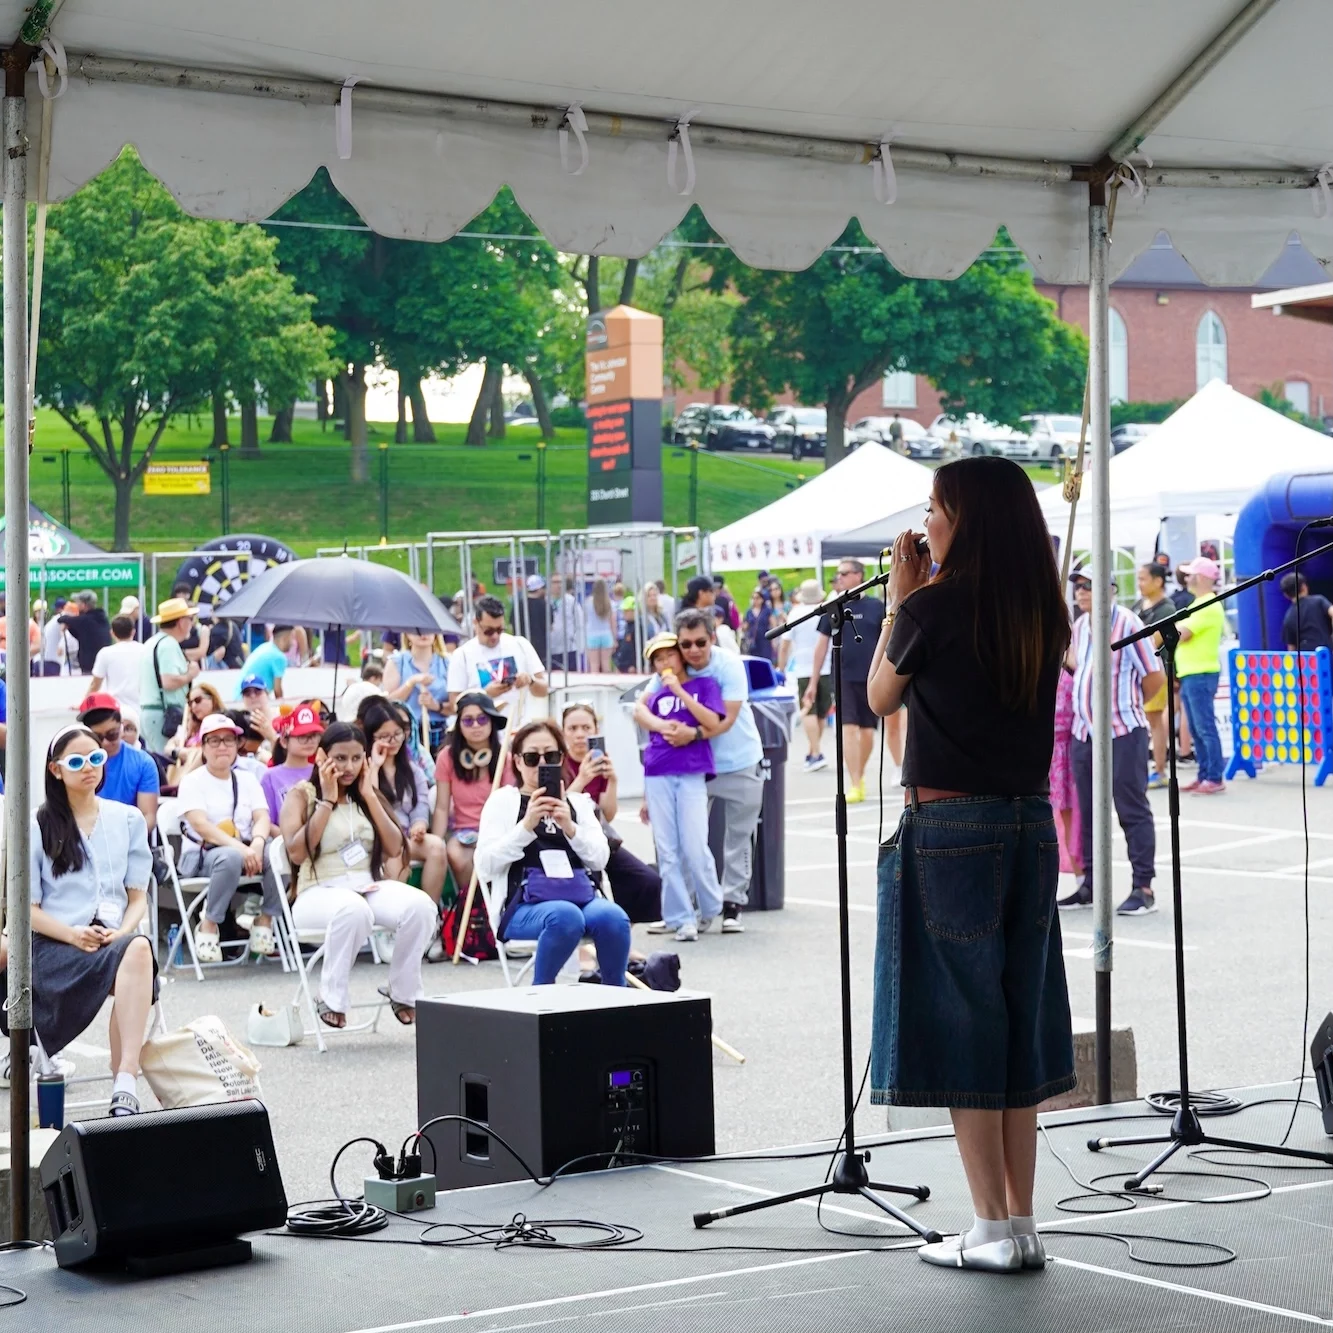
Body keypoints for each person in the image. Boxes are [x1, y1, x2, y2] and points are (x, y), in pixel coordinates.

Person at [864, 456, 1075, 1273]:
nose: (926, 522)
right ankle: (1018, 1221)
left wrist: (898, 598)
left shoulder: (933, 605)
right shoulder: (1041, 610)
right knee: (1014, 1021)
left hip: (951, 825)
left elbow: (881, 696)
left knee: (962, 1023)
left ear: (967, 517)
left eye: (934, 506)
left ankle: (988, 1226)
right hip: (1028, 824)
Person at [24, 726, 156, 1116]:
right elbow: (26, 910)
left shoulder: (128, 819)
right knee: (135, 954)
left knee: (136, 948)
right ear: (55, 769)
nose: (89, 769)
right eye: (77, 762)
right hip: (55, 944)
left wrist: (123, 930)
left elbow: (138, 897)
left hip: (114, 940)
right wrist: (72, 934)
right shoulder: (37, 825)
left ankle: (125, 1083)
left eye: (96, 758)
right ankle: (125, 1087)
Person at [280, 721, 436, 1027]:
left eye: (356, 758)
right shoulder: (302, 795)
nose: (349, 767)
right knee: (354, 910)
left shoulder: (365, 795)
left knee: (421, 906)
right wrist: (326, 800)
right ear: (321, 756)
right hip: (317, 892)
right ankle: (331, 998)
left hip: (366, 887)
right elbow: (296, 854)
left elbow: (394, 849)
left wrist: (369, 794)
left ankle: (403, 990)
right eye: (340, 758)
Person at [475, 720, 629, 986]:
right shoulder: (503, 801)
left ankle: (616, 1003)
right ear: (518, 762)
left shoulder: (577, 803)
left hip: (579, 896)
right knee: (564, 916)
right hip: (522, 904)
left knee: (613, 918)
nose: (542, 764)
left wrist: (570, 827)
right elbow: (485, 865)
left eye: (552, 756)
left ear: (562, 759)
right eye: (533, 757)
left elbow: (600, 859)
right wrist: (526, 827)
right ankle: (540, 999)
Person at [1057, 572, 1162, 915]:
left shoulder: (1128, 623)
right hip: (1084, 733)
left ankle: (1143, 887)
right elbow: (1079, 665)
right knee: (1087, 811)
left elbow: (1154, 676)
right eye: (1078, 586)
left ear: (1110, 589)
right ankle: (1089, 883)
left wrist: (1125, 707)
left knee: (1131, 809)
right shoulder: (1082, 625)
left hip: (1123, 731)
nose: (1081, 592)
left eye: (1089, 585)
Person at [671, 607, 763, 933]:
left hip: (740, 761)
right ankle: (691, 907)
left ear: (712, 638)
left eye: (700, 642)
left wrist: (691, 734)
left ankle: (733, 904)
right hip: (695, 767)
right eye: (686, 644)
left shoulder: (729, 665)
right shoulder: (670, 667)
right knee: (691, 839)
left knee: (739, 838)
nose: (693, 650)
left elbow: (726, 720)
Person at [632, 635, 726, 941]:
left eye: (669, 656)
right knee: (667, 850)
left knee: (695, 845)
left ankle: (711, 905)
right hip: (657, 769)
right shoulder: (654, 694)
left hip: (691, 771)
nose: (665, 664)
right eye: (658, 660)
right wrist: (661, 725)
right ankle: (680, 917)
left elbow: (712, 721)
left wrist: (679, 692)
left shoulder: (704, 685)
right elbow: (638, 711)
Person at [176, 713, 282, 960]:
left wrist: (256, 843)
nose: (222, 746)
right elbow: (201, 826)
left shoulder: (246, 779)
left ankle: (265, 918)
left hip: (245, 849)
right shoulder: (192, 781)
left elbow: (262, 817)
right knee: (230, 857)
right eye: (214, 741)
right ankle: (209, 924)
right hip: (204, 854)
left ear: (237, 745)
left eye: (228, 740)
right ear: (203, 746)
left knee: (278, 851)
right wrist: (241, 849)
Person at [561, 703, 662, 923]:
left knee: (647, 880)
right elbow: (558, 807)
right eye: (573, 728)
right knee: (589, 881)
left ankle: (624, 929)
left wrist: (612, 781)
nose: (580, 734)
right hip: (566, 839)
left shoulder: (599, 759)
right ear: (563, 732)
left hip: (599, 835)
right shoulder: (558, 762)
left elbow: (608, 814)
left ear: (595, 730)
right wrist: (582, 779)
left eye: (586, 728)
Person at [805, 557, 892, 801]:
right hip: (843, 677)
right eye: (837, 574)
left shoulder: (877, 606)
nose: (838, 578)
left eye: (843, 573)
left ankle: (859, 774)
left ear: (858, 575)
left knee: (867, 732)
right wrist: (813, 682)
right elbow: (820, 647)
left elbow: (888, 641)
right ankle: (854, 782)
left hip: (871, 678)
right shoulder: (833, 606)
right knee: (848, 728)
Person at [360, 699, 447, 908]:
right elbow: (370, 800)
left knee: (437, 847)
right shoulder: (366, 768)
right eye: (383, 736)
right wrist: (375, 764)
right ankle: (393, 915)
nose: (392, 741)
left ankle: (431, 910)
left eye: (398, 733)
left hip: (408, 835)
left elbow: (422, 801)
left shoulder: (412, 769)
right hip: (380, 838)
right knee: (395, 854)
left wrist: (420, 823)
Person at [448, 595, 547, 719]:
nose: (495, 636)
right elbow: (454, 705)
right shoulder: (462, 655)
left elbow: (543, 690)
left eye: (500, 630)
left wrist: (530, 680)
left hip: (519, 726)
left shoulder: (520, 644)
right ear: (475, 623)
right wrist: (485, 695)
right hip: (482, 730)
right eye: (488, 631)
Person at [1175, 556, 1226, 794]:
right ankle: (1205, 773)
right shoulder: (1200, 603)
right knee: (1197, 728)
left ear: (1203, 577)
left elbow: (1182, 633)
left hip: (1201, 673)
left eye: (1191, 574)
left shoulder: (1208, 605)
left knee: (1204, 727)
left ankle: (1214, 776)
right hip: (1192, 673)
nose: (1187, 578)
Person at [76, 693, 160, 829]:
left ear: (122, 728)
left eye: (111, 735)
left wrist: (123, 841)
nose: (105, 743)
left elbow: (147, 817)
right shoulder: (76, 763)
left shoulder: (143, 763)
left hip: (127, 837)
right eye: (97, 737)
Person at [779, 579, 831, 771]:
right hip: (825, 666)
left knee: (809, 708)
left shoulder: (795, 612)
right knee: (822, 710)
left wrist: (781, 666)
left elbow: (785, 644)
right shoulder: (826, 610)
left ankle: (815, 752)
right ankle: (814, 750)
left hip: (802, 667)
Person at [139, 597, 201, 755]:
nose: (192, 623)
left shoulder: (152, 642)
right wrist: (190, 674)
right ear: (181, 622)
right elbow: (169, 681)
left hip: (152, 713)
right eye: (190, 619)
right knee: (167, 760)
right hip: (164, 715)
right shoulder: (169, 644)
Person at [1136, 562, 1175, 788]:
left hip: (1155, 673)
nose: (1139, 583)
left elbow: (1152, 643)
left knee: (1155, 721)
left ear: (1158, 581)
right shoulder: (1140, 605)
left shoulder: (1166, 609)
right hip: (1139, 674)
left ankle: (1159, 769)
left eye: (1143, 579)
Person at [384, 632, 452, 749]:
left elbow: (456, 705)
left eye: (428, 629)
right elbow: (389, 703)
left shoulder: (447, 662)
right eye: (417, 630)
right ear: (407, 634)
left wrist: (435, 706)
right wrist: (411, 683)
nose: (423, 634)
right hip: (406, 728)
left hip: (439, 730)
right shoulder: (396, 662)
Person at [262, 702, 322, 823]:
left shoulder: (321, 771)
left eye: (314, 735)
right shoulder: (270, 777)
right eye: (302, 736)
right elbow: (267, 821)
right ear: (284, 741)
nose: (310, 741)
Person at [167, 679, 226, 781]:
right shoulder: (190, 727)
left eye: (198, 700)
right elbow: (168, 747)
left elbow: (204, 753)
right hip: (185, 771)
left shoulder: (222, 723)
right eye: (190, 703)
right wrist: (178, 751)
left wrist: (179, 752)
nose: (193, 706)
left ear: (212, 699)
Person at [90, 614, 145, 708]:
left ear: (112, 633)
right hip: (141, 706)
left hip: (116, 708)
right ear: (133, 632)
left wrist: (85, 702)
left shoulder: (105, 653)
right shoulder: (145, 650)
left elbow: (95, 684)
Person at [58, 591, 113, 675]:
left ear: (83, 605)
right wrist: (70, 627)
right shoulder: (101, 619)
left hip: (91, 666)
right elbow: (80, 635)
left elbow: (62, 619)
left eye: (78, 603)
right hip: (105, 664)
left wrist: (67, 621)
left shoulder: (85, 620)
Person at [1281, 573, 1333, 653]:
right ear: (1304, 586)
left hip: (1307, 662)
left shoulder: (1288, 617)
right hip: (1326, 656)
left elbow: (1291, 650)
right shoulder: (1319, 601)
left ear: (1286, 595)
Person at [239, 626, 293, 699]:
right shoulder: (278, 656)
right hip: (250, 698)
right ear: (284, 639)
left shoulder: (265, 647)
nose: (292, 643)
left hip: (241, 696)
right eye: (291, 638)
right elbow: (277, 690)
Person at [547, 573, 585, 673]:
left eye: (561, 582)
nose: (558, 585)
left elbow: (579, 623)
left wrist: (579, 645)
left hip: (569, 648)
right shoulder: (545, 601)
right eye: (555, 582)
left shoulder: (571, 601)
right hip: (550, 648)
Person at [337, 658, 385, 722]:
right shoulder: (371, 690)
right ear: (373, 678)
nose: (380, 684)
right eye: (380, 680)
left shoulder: (352, 688)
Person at [583, 579, 615, 672]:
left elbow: (584, 620)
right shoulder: (609, 602)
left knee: (594, 665)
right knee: (606, 664)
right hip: (606, 634)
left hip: (592, 635)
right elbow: (612, 622)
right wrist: (614, 638)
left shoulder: (588, 602)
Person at [40, 598, 76, 676]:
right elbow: (62, 649)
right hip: (54, 663)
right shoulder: (63, 620)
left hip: (45, 660)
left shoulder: (53, 621)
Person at [521, 574, 550, 666]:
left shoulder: (519, 605)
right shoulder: (545, 605)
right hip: (541, 647)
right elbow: (550, 626)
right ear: (540, 588)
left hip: (522, 646)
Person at [612, 597, 639, 672]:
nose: (624, 614)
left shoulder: (637, 627)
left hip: (631, 667)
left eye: (626, 611)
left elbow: (638, 648)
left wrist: (635, 665)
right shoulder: (628, 625)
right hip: (623, 666)